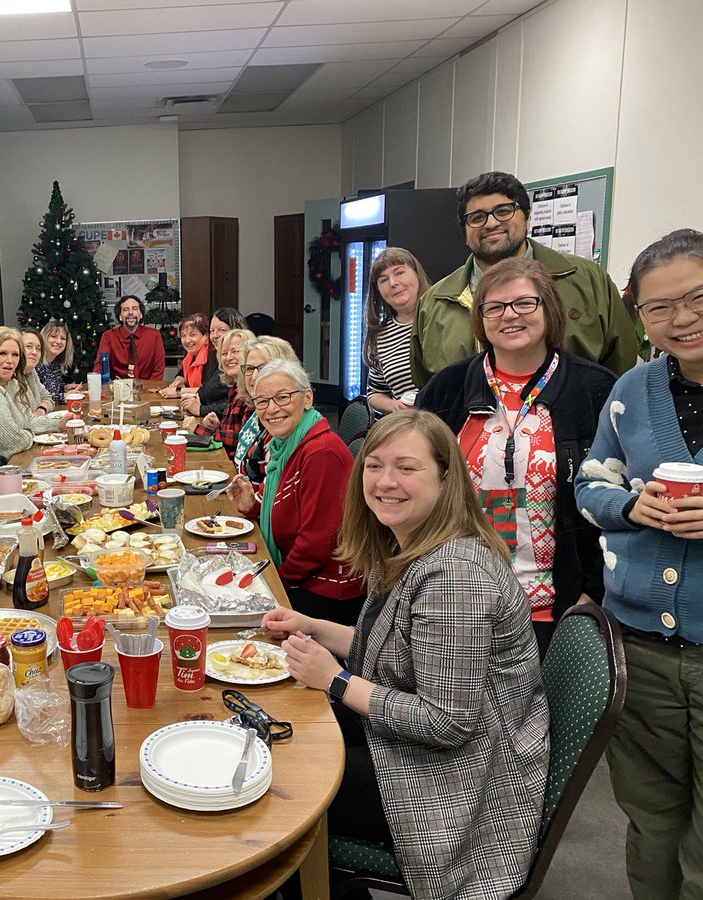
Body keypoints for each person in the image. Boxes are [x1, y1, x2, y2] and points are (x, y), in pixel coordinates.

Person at [264, 409, 548, 899]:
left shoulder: (456, 576)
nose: (385, 482)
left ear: (446, 478)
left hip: (460, 781)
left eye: (407, 468)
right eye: (374, 465)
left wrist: (335, 680)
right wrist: (311, 627)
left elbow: (447, 722)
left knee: (283, 787)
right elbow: (394, 651)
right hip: (425, 746)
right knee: (283, 734)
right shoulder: (410, 542)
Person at [575, 229, 703, 899]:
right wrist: (629, 506)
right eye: (659, 307)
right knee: (650, 817)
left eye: (697, 298)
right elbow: (589, 485)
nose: (681, 318)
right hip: (642, 646)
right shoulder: (632, 389)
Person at [418, 257, 614, 656]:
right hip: (456, 596)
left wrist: (592, 590)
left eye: (525, 303)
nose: (510, 315)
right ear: (480, 318)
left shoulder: (595, 389)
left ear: (549, 309)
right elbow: (417, 484)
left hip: (556, 608)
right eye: (494, 307)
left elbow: (611, 497)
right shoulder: (447, 388)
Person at [410, 171, 638, 386]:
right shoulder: (433, 303)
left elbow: (620, 365)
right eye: (477, 217)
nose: (491, 223)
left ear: (528, 218)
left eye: (503, 211)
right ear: (465, 232)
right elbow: (427, 383)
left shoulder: (588, 280)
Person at [228, 360, 364, 622]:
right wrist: (253, 506)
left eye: (283, 397)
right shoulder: (285, 445)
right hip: (300, 577)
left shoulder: (321, 453)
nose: (272, 409)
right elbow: (284, 505)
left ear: (307, 398)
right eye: (262, 401)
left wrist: (271, 584)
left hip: (326, 594)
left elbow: (315, 545)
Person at [0, 326, 62, 488]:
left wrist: (58, 425)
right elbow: (11, 444)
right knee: (51, 485)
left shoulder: (11, 383)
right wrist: (29, 434)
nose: (10, 360)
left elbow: (28, 420)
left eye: (15, 355)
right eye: (2, 353)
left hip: (9, 467)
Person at [364, 248, 429, 416]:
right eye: (383, 280)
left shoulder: (442, 317)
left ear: (417, 274)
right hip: (409, 424)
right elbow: (374, 392)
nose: (393, 283)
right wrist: (393, 405)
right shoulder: (381, 336)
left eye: (399, 273)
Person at [232, 336, 298, 485]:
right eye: (250, 369)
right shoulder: (256, 414)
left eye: (264, 368)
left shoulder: (283, 422)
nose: (255, 376)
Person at [191, 329, 252, 460]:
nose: (228, 357)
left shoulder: (251, 393)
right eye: (224, 353)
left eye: (235, 351)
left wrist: (198, 429)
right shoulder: (235, 390)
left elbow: (243, 440)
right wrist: (217, 427)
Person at [184, 307, 249, 420]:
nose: (215, 336)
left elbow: (237, 405)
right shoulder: (218, 357)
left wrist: (201, 409)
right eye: (212, 331)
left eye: (221, 330)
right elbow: (207, 392)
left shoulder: (247, 366)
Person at [92, 295, 165, 380]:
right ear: (120, 316)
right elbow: (100, 366)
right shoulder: (108, 337)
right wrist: (95, 380)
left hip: (148, 386)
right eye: (125, 309)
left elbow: (158, 370)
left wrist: (151, 387)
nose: (130, 312)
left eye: (135, 308)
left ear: (141, 314)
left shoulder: (154, 335)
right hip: (117, 386)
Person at [158, 312, 209, 397]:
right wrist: (179, 381)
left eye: (193, 335)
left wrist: (178, 392)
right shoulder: (190, 354)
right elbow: (182, 374)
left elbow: (208, 391)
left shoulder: (211, 357)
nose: (187, 340)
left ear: (206, 336)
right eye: (183, 336)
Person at [36, 318, 78, 405]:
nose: (58, 341)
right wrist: (63, 397)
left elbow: (52, 389)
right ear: (44, 338)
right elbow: (38, 397)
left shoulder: (56, 362)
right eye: (53, 336)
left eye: (62, 338)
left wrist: (65, 388)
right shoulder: (36, 363)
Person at [20, 327, 55, 416]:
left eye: (38, 349)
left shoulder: (31, 372)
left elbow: (48, 398)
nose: (35, 352)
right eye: (29, 346)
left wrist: (41, 410)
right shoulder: (10, 378)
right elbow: (25, 419)